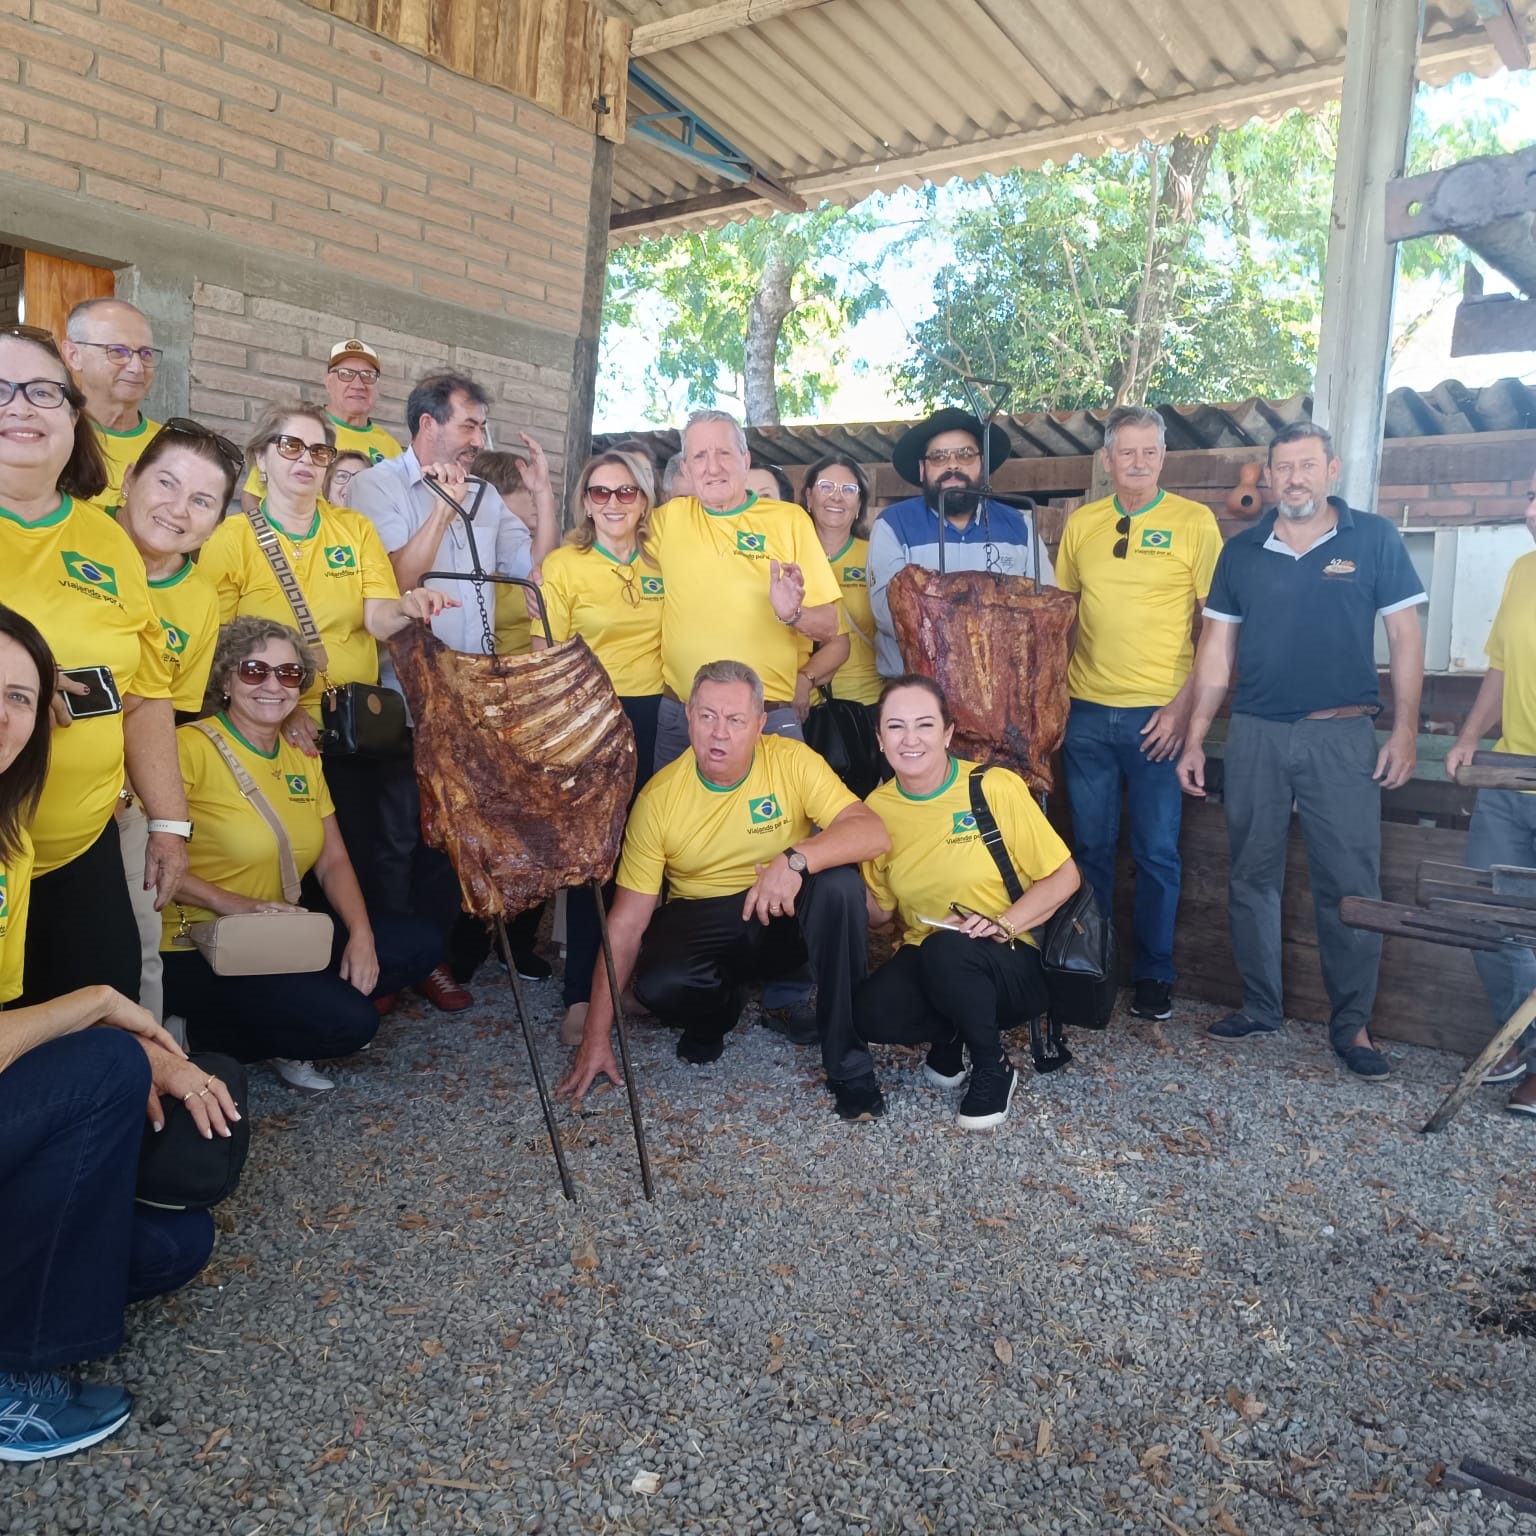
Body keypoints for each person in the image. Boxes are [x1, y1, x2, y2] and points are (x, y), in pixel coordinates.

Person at [0, 601, 228, 1463]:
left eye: (22, 697)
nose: (3, 716)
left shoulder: (9, 837)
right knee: (99, 1063)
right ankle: (18, 1387)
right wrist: (102, 1008)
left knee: (173, 1247)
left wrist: (150, 1055)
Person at [196, 400, 466, 1012]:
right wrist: (279, 710)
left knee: (365, 854)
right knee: (294, 858)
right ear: (262, 457)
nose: (306, 461)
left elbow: (376, 613)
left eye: (319, 451)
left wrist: (410, 605)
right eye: (290, 447)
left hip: (352, 733)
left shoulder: (352, 530)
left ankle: (354, 972)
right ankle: (297, 987)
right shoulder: (232, 539)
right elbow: (215, 645)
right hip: (273, 732)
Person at [1176, 422, 1426, 1078]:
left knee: (1348, 883)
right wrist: (1198, 736)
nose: (1294, 478)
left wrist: (1403, 731)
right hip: (1256, 732)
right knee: (1250, 875)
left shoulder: (1373, 538)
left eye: (1307, 466)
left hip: (1342, 736)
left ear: (1332, 470)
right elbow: (1215, 655)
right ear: (1269, 474)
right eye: (1283, 467)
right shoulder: (1243, 551)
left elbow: (1405, 640)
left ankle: (1354, 1026)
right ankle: (1260, 1006)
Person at [556, 660, 890, 1120]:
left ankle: (850, 1067)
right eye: (708, 716)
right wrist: (596, 1037)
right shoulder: (658, 801)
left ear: (759, 725)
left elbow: (872, 832)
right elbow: (627, 923)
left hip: (783, 917)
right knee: (660, 983)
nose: (719, 733)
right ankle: (717, 1012)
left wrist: (794, 860)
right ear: (689, 717)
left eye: (735, 720)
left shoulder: (790, 760)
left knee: (837, 885)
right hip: (705, 920)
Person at [160, 618, 440, 1093]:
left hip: (275, 934)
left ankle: (290, 1014)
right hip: (199, 944)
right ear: (225, 679)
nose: (273, 685)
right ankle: (189, 1033)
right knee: (349, 1025)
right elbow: (155, 863)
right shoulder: (186, 749)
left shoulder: (300, 754)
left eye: (288, 674)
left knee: (418, 943)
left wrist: (362, 935)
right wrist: (236, 904)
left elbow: (333, 861)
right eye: (254, 671)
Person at [0, 324, 189, 1008]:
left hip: (82, 852)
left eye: (43, 391)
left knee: (105, 1037)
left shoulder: (105, 538)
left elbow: (145, 693)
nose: (20, 406)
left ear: (74, 418)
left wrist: (169, 823)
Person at [1055, 406, 1224, 1024]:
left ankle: (1155, 975)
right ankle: (1089, 964)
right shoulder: (1083, 524)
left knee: (1157, 853)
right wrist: (1058, 698)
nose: (1137, 462)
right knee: (1091, 847)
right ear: (1107, 460)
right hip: (1088, 714)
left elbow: (1217, 625)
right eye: (1125, 452)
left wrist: (1184, 707)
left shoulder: (1194, 522)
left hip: (1160, 716)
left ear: (1162, 456)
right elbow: (1063, 618)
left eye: (1148, 451)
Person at [856, 676, 1080, 1129]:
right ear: (880, 740)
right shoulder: (876, 808)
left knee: (947, 951)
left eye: (924, 724)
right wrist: (833, 871)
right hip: (930, 955)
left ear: (947, 733)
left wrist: (1004, 922)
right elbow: (879, 915)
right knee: (869, 1013)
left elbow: (1065, 877)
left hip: (1012, 959)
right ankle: (953, 1030)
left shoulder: (993, 787)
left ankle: (992, 1067)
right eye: (896, 727)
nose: (911, 739)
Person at [533, 447, 665, 1046]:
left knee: (646, 858)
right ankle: (581, 996)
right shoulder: (564, 564)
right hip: (589, 720)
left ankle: (628, 984)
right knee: (592, 862)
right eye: (599, 492)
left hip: (658, 717)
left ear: (643, 498)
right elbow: (543, 653)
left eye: (624, 491)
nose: (612, 503)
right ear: (585, 501)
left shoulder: (666, 559)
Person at [115, 419, 244, 1023]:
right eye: (165, 483)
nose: (177, 509)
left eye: (201, 500)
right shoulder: (75, 540)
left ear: (216, 523)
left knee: (135, 952)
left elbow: (159, 710)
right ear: (128, 478)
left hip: (116, 806)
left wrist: (167, 824)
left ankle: (146, 1082)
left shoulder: (197, 600)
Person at [647, 411, 840, 771]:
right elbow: (605, 540)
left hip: (766, 718)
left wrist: (792, 614)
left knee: (781, 826)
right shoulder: (667, 520)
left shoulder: (789, 520)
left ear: (745, 460)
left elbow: (830, 627)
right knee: (675, 826)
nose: (712, 467)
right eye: (700, 456)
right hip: (683, 715)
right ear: (686, 469)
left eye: (723, 453)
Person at [1444, 464, 1536, 1116]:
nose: (1534, 508)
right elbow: (1501, 666)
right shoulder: (1522, 571)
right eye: (1533, 496)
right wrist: (1470, 735)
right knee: (1488, 919)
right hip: (1508, 774)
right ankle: (1521, 1038)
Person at [868, 406, 1053, 679]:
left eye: (965, 454)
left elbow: (1043, 608)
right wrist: (994, 610)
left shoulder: (1020, 526)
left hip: (1001, 690)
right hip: (918, 693)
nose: (952, 465)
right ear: (922, 469)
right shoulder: (893, 525)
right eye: (939, 457)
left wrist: (938, 607)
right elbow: (891, 615)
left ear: (982, 464)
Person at [239, 338, 403, 512]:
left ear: (378, 388)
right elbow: (253, 495)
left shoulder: (391, 448)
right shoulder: (303, 429)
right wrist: (268, 538)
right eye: (346, 374)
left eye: (368, 376)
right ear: (328, 382)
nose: (358, 384)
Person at [59, 299, 162, 516]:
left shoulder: (172, 446)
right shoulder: (49, 437)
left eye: (146, 354)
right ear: (73, 355)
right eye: (118, 351)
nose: (136, 368)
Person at [801, 455, 881, 713]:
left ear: (859, 504)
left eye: (848, 490)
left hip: (863, 702)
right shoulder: (785, 554)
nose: (836, 497)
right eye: (826, 486)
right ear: (809, 497)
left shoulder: (875, 556)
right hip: (798, 699)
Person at [469, 448, 561, 658]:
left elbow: (543, 566)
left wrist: (543, 494)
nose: (535, 500)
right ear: (495, 496)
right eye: (527, 491)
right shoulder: (484, 537)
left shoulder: (519, 538)